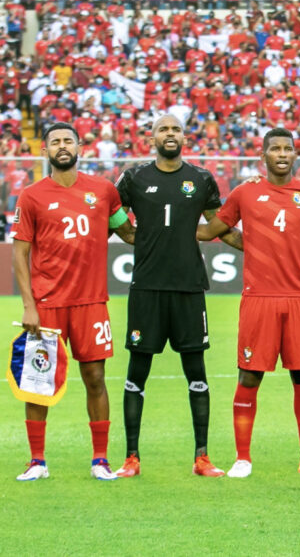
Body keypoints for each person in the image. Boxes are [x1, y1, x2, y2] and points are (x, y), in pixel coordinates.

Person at [196, 128, 300, 478]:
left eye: (287, 149)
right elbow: (212, 230)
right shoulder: (246, 192)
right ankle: (242, 459)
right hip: (259, 297)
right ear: (264, 156)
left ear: (295, 155)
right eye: (275, 149)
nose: (282, 154)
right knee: (249, 376)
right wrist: (169, 224)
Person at [114, 114, 243, 478]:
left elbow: (219, 226)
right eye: (163, 129)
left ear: (184, 137)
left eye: (175, 129)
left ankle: (202, 457)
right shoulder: (134, 177)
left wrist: (263, 247)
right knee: (136, 373)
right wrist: (133, 236)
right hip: (147, 289)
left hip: (188, 288)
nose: (170, 134)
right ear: (152, 138)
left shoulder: (201, 178)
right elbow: (111, 213)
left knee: (196, 373)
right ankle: (131, 458)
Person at [11, 123, 135, 481]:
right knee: (38, 381)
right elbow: (19, 254)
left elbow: (127, 232)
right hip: (47, 304)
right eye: (55, 142)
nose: (62, 146)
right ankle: (37, 461)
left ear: (79, 147)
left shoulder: (104, 191)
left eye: (68, 140)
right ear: (45, 150)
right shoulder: (32, 196)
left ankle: (100, 460)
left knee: (95, 378)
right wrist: (29, 305)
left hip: (91, 303)